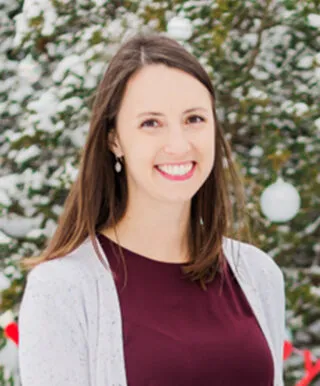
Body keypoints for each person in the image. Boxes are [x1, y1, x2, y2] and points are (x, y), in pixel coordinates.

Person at [18, 33, 286, 386]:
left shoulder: (257, 274)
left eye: (194, 119)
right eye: (151, 123)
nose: (178, 144)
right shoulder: (62, 289)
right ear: (114, 139)